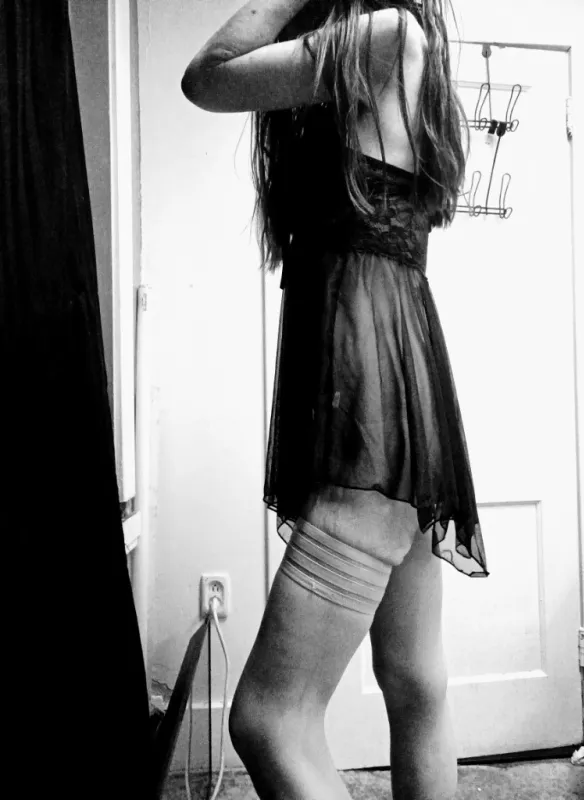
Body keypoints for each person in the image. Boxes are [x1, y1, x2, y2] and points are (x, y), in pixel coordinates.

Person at [182, 2, 489, 798]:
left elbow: (206, 78)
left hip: (369, 402)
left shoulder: (385, 37)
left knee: (269, 717)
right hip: (398, 388)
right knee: (415, 678)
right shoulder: (397, 46)